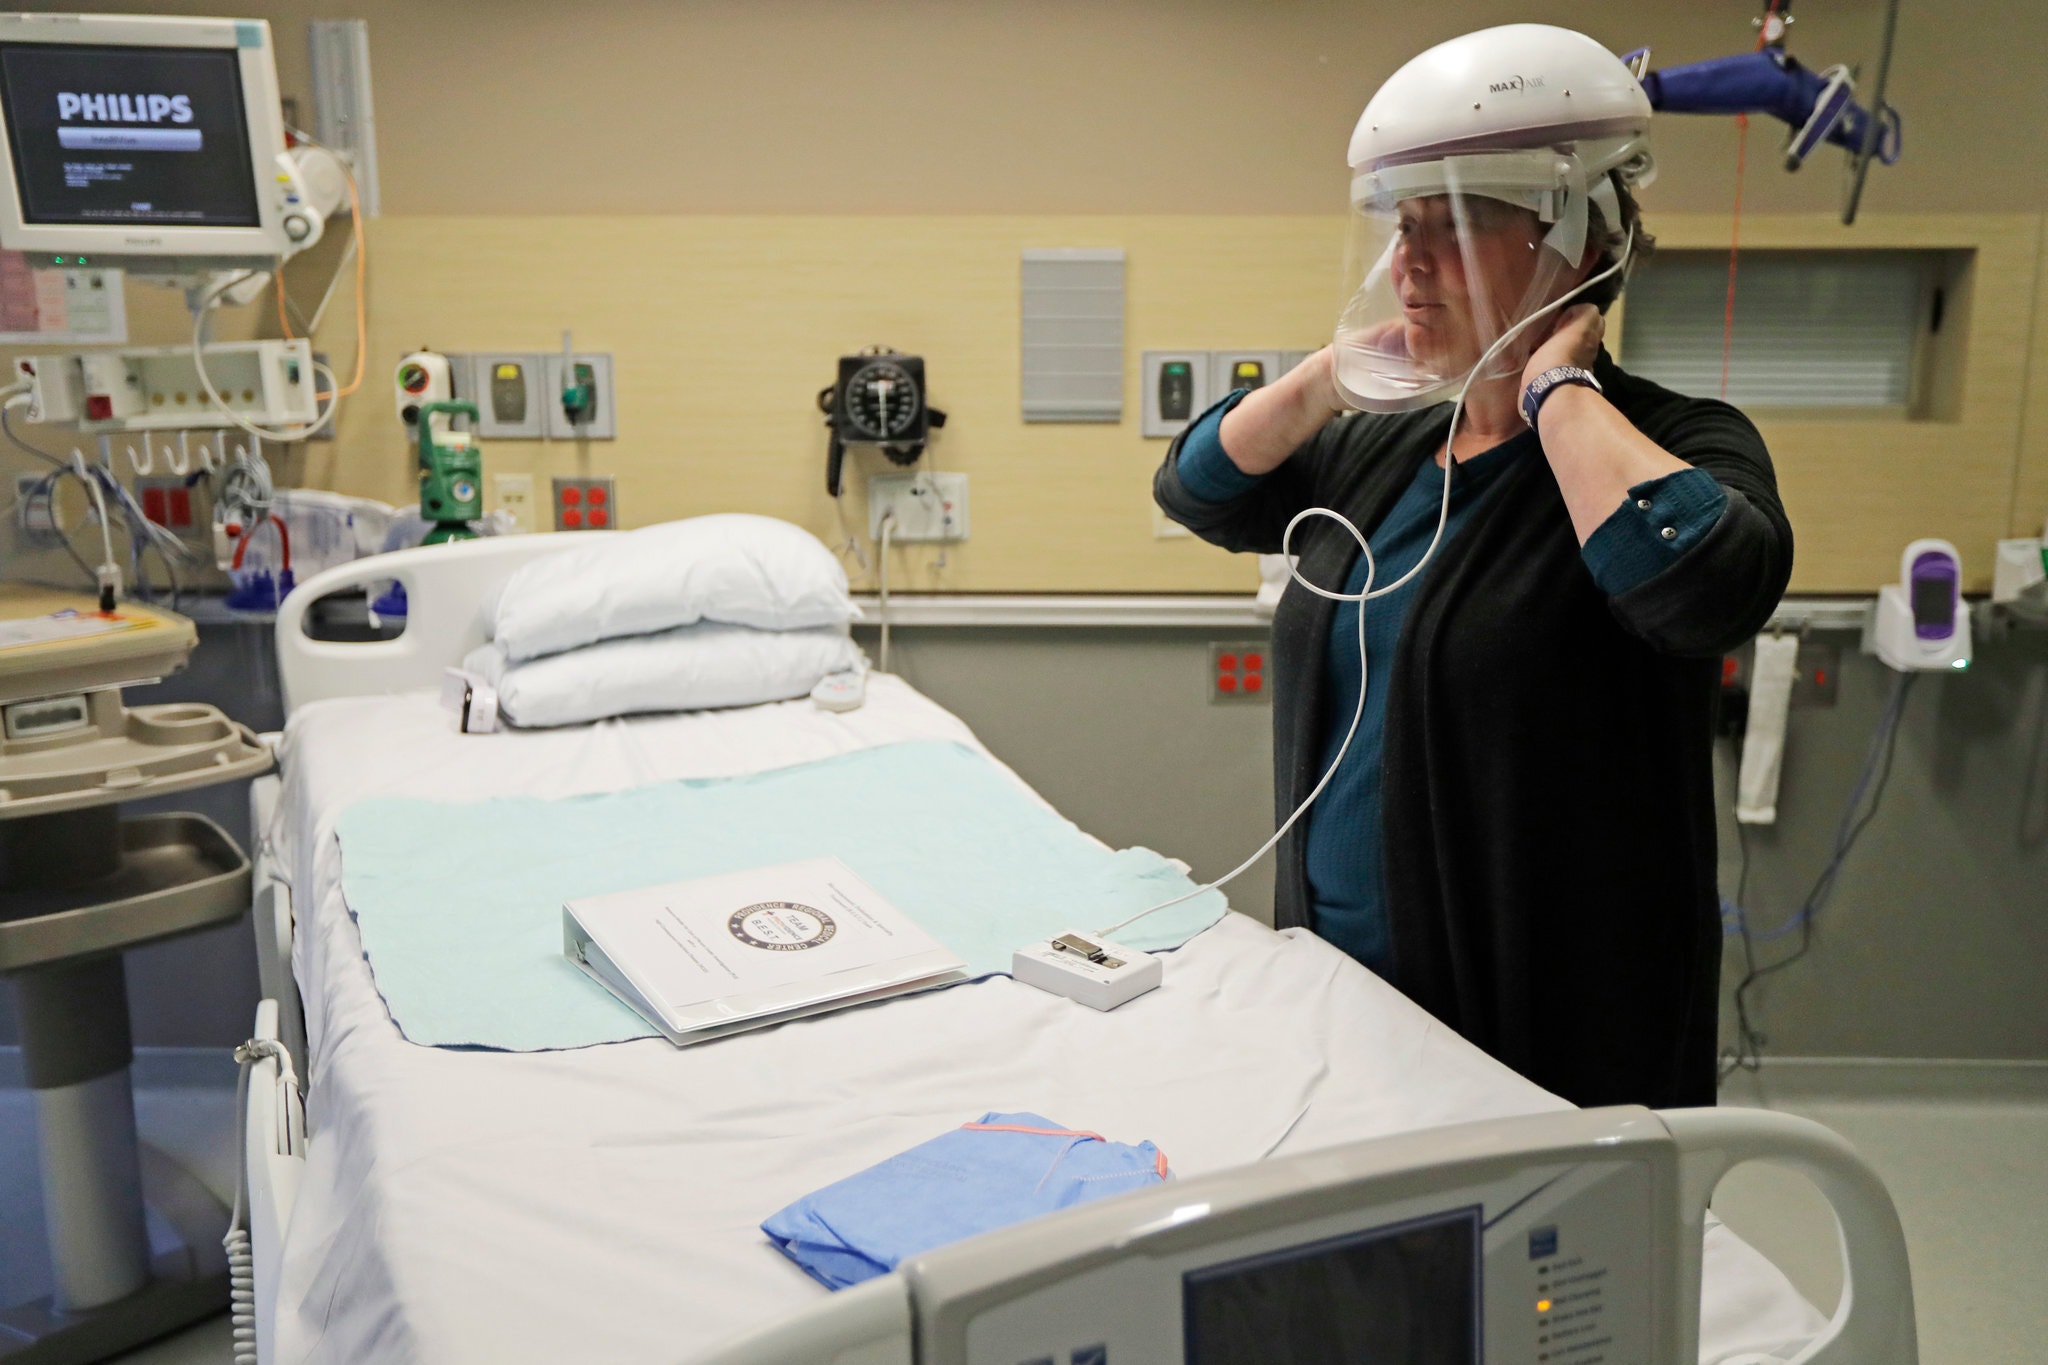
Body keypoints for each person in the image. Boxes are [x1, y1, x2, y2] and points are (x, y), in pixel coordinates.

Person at [1154, 25, 1793, 1109]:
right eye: (1399, 230)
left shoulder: (1679, 440)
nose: (1406, 265)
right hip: (1337, 990)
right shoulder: (1389, 448)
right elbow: (1198, 491)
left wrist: (1554, 392)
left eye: (1449, 225)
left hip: (1542, 1022)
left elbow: (1704, 588)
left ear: (1577, 243)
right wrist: (1327, 376)